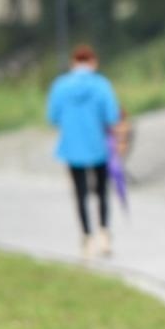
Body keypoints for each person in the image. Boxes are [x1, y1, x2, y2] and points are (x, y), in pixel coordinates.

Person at [47, 43, 122, 257]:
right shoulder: (102, 85)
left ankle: (87, 237)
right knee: (101, 191)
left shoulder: (60, 86)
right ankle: (104, 234)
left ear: (73, 63)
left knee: (80, 193)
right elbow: (112, 116)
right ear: (93, 62)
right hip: (98, 145)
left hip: (72, 147)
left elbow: (52, 117)